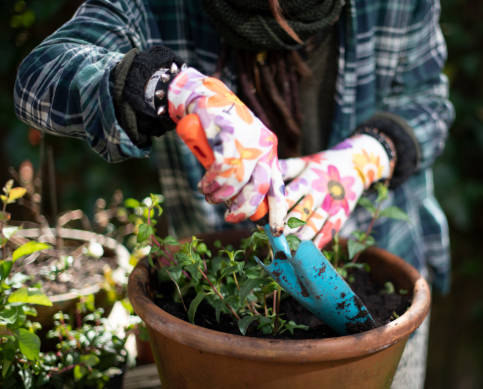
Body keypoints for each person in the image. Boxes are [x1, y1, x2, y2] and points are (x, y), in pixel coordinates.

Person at [14, 0, 454, 387]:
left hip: (387, 268)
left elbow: (428, 101)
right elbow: (41, 75)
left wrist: (363, 158)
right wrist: (174, 89)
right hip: (219, 296)